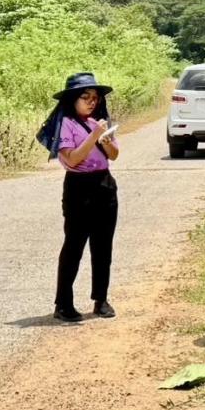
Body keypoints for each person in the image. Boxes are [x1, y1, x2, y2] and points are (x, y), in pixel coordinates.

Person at [37, 73, 120, 322]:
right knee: (74, 245)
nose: (91, 102)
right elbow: (72, 158)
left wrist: (105, 139)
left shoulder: (100, 122)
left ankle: (101, 299)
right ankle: (63, 303)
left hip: (104, 184)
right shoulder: (66, 124)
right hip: (78, 187)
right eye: (85, 97)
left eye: (94, 98)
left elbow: (114, 155)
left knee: (103, 245)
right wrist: (93, 136)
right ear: (73, 99)